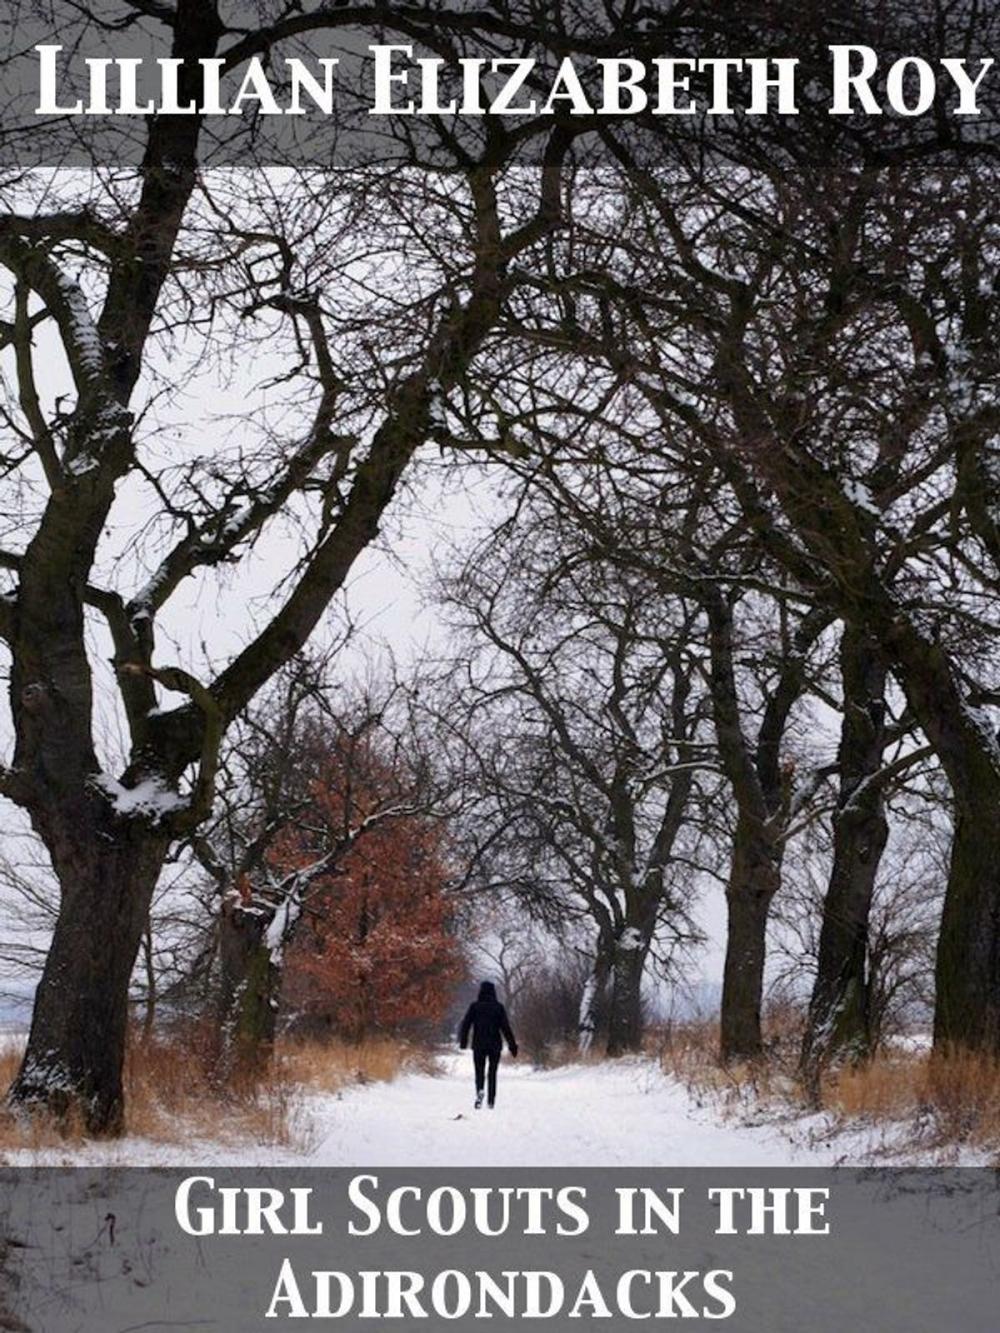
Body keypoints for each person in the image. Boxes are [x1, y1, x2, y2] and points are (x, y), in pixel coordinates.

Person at [458, 980, 518, 1109]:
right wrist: (513, 1046)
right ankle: (491, 1100)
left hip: (478, 1044)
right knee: (492, 1072)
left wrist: (463, 1042)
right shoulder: (499, 1007)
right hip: (495, 1045)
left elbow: (466, 1024)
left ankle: (480, 1091)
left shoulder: (474, 1006)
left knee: (479, 1071)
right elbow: (506, 1028)